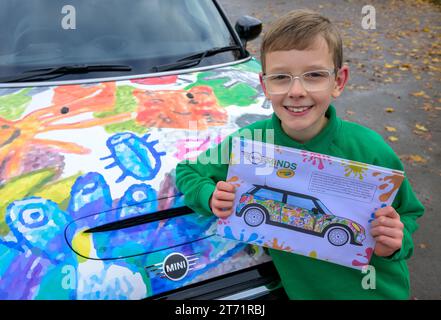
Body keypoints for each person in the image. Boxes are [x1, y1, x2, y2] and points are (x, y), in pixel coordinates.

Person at [175, 9, 424, 299]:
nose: (296, 91)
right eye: (281, 77)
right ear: (264, 84)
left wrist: (397, 240)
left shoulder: (369, 150)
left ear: (338, 81)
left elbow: (408, 211)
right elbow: (187, 171)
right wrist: (209, 196)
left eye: (314, 75)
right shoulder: (252, 143)